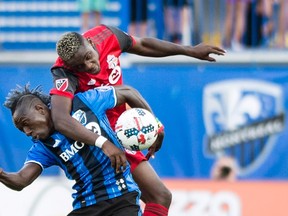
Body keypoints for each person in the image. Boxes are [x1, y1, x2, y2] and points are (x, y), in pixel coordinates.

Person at [50, 25, 225, 216]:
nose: (88, 67)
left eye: (88, 58)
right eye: (80, 67)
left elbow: (143, 44)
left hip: (120, 132)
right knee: (155, 197)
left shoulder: (108, 35)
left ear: (91, 43)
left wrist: (189, 50)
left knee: (159, 197)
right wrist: (103, 143)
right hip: (100, 142)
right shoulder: (63, 70)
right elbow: (60, 119)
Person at [1, 83, 162, 215]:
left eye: (26, 124)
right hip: (86, 206)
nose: (27, 132)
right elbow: (21, 179)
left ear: (40, 109)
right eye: (22, 130)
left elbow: (128, 92)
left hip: (122, 197)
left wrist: (155, 124)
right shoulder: (43, 147)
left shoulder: (84, 102)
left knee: (162, 197)